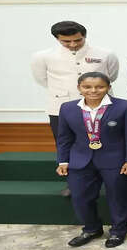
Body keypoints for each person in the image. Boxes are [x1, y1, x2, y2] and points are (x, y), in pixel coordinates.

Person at [31, 21, 119, 197]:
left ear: (84, 36)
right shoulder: (42, 56)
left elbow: (112, 76)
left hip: (101, 107)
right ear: (57, 39)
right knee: (67, 146)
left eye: (77, 40)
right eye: (66, 41)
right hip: (61, 108)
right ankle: (74, 184)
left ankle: (109, 182)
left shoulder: (105, 54)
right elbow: (41, 79)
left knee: (107, 142)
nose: (73, 44)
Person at [56, 72, 127, 248]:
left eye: (100, 86)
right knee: (80, 197)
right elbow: (64, 138)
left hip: (116, 160)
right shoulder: (67, 108)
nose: (93, 90)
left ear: (108, 88)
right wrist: (63, 161)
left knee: (118, 197)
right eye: (87, 87)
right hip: (79, 160)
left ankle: (118, 232)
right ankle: (91, 228)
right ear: (79, 88)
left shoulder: (126, 107)